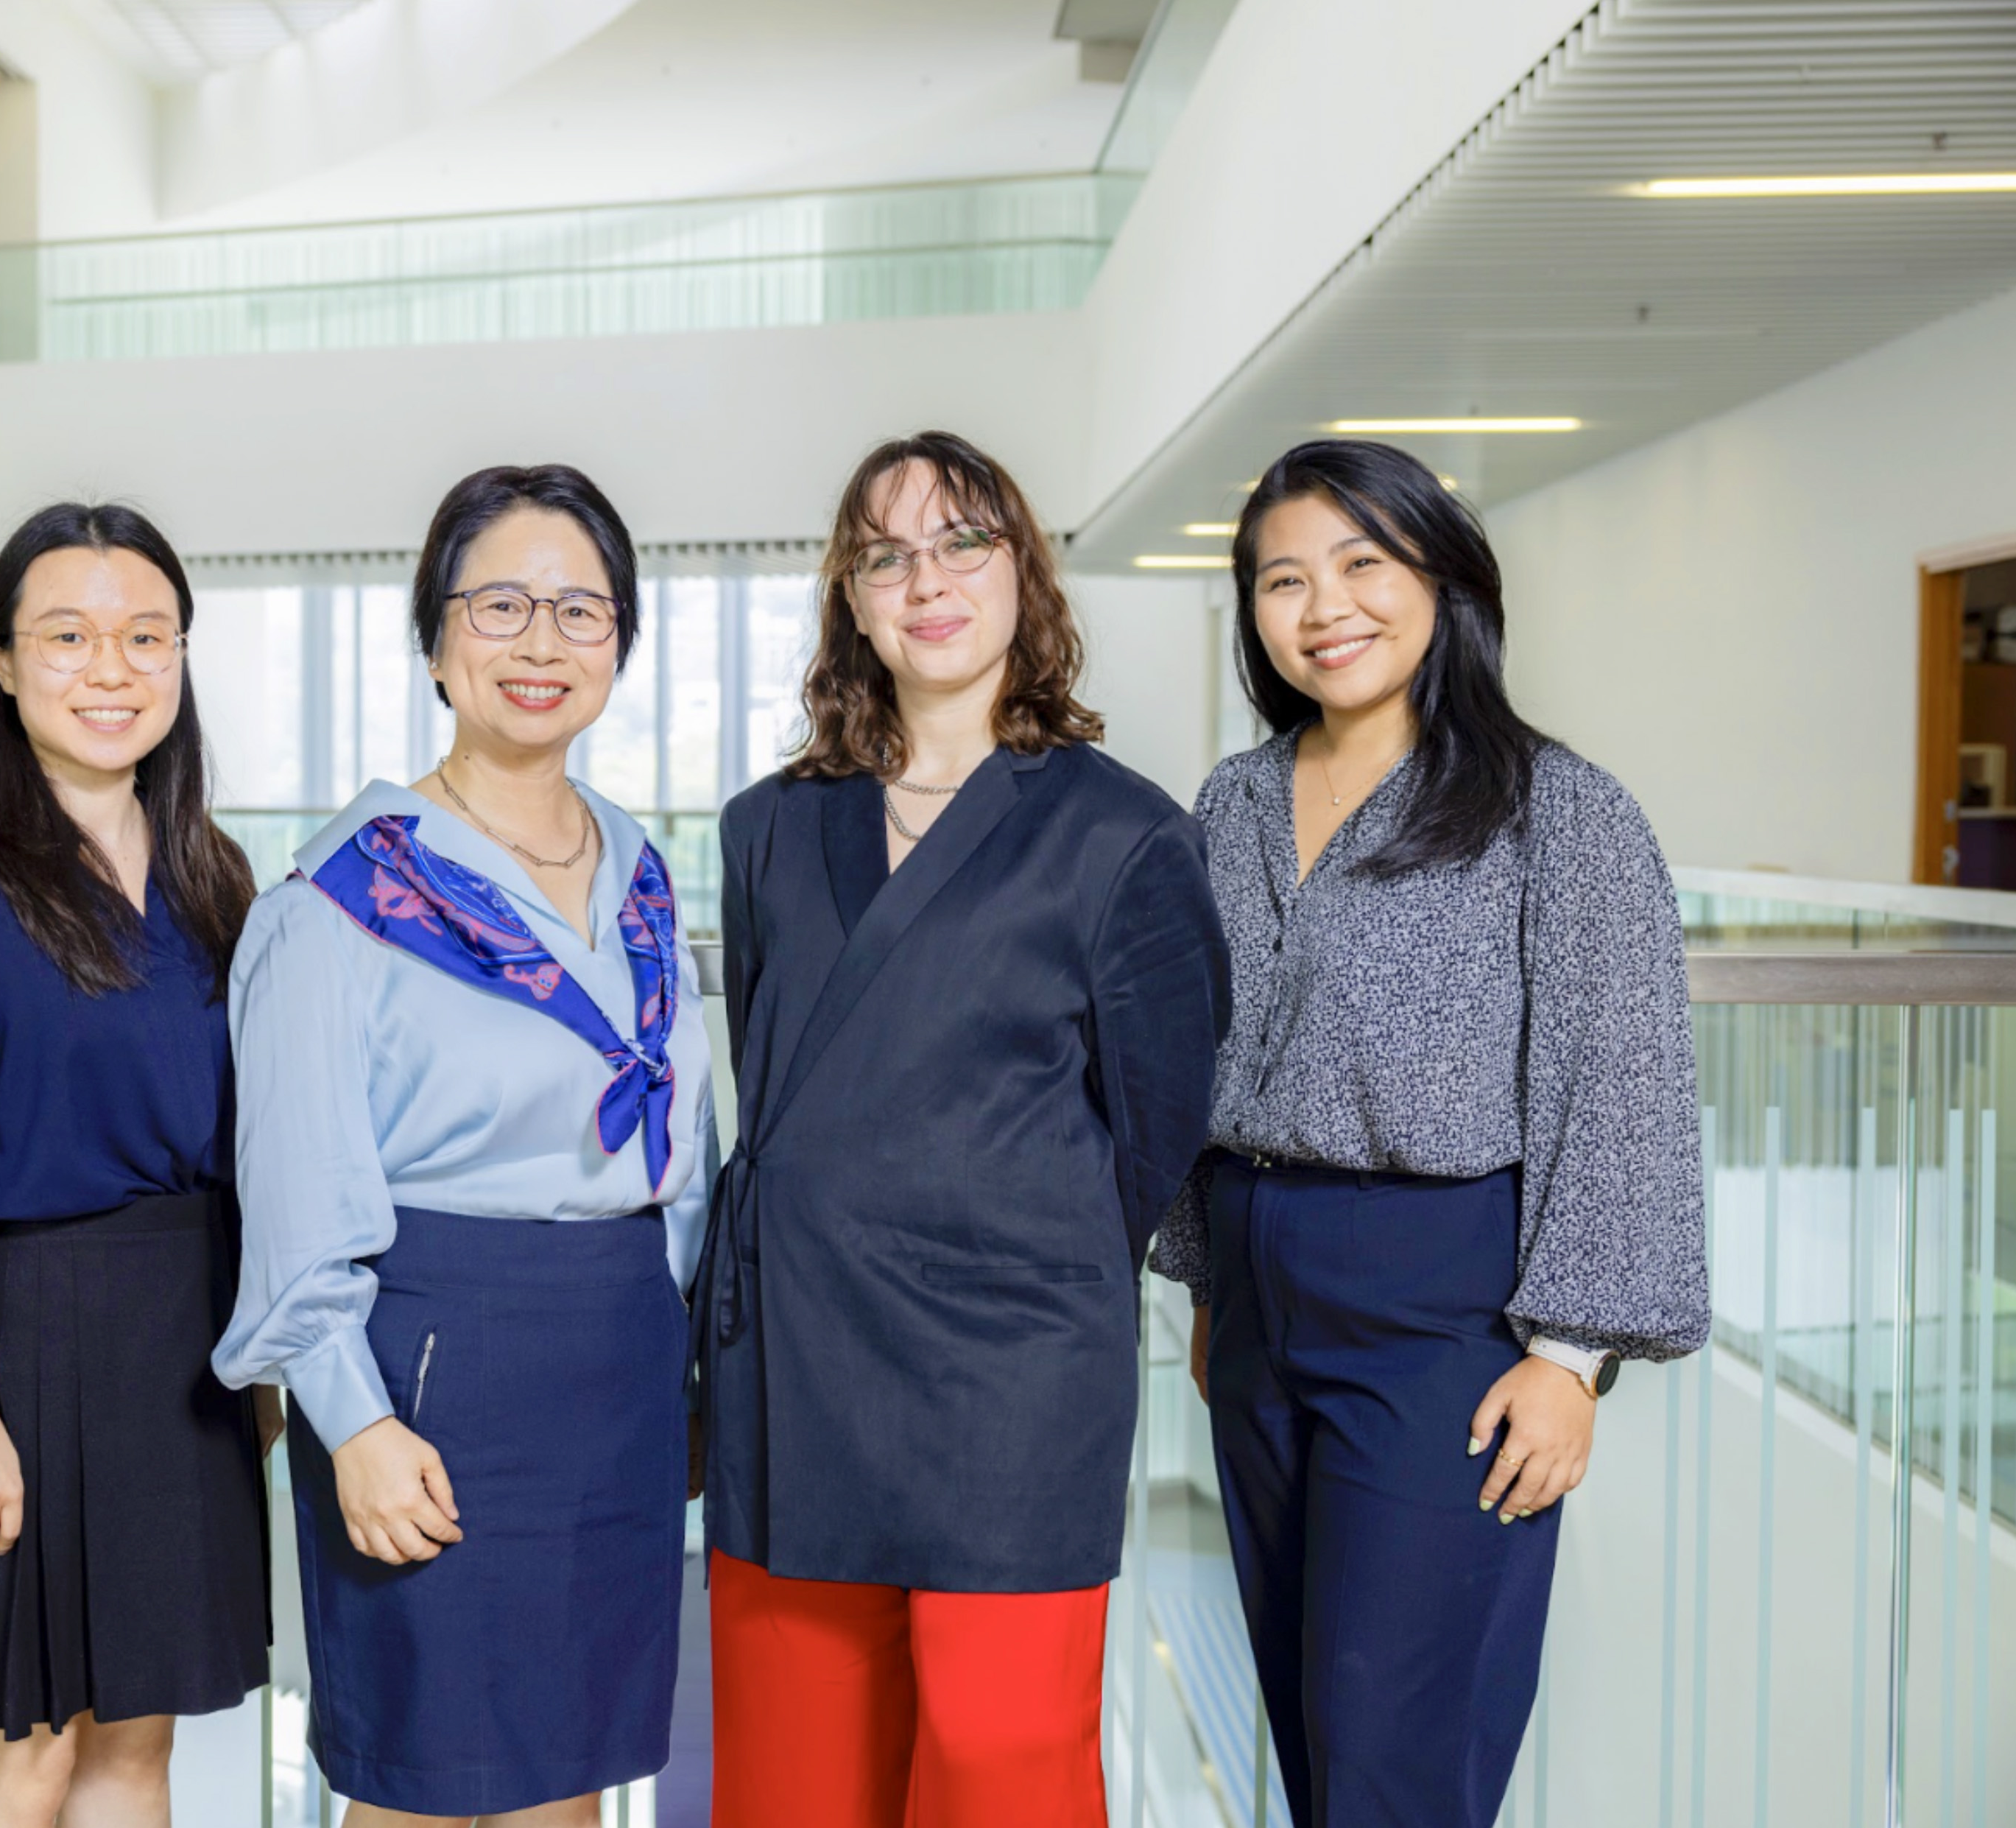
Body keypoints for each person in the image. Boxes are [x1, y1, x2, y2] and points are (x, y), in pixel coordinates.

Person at [1151, 438, 1710, 1827]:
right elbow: (1192, 1051)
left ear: (1443, 579)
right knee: (1306, 1718)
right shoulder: (1230, 802)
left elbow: (1620, 1080)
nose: (1323, 606)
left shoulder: (1554, 809)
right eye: (1283, 579)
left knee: (1395, 1744)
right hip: (1260, 1280)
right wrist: (1218, 1280)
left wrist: (1573, 1357)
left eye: (1363, 564)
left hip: (1440, 1305)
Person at [697, 429, 1230, 1828]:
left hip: (1015, 1372)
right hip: (795, 1364)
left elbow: (1152, 1133)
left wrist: (998, 1226)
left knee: (1003, 1770)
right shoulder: (766, 828)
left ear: (1021, 573)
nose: (926, 579)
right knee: (796, 1782)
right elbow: (778, 1079)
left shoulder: (1125, 836)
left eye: (961, 543)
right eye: (888, 555)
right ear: (853, 602)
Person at [214, 464, 715, 1828]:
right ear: (434, 641)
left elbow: (687, 1138)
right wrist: (353, 1419)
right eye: (500, 605)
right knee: (424, 1787)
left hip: (615, 1366)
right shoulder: (342, 897)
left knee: (566, 1780)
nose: (541, 643)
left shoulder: (642, 869)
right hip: (430, 1367)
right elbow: (295, 1189)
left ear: (621, 640)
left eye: (580, 609)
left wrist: (682, 1362)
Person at [0, 502, 272, 1827]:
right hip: (16, 1351)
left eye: (148, 636)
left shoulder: (215, 878)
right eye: (71, 636)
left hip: (182, 1348)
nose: (113, 669)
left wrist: (257, 1352)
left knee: (134, 1749)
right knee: (20, 1751)